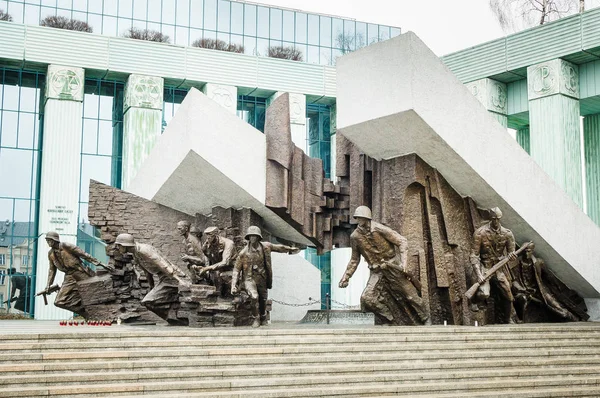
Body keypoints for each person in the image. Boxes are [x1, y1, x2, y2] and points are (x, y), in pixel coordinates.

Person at [338, 206, 430, 325]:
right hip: (377, 271)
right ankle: (390, 318)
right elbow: (354, 260)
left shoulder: (379, 228)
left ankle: (426, 318)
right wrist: (346, 276)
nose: (360, 221)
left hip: (392, 266)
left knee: (411, 295)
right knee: (367, 298)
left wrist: (404, 263)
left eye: (362, 218)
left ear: (367, 218)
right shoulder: (355, 237)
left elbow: (402, 241)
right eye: (358, 218)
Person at [232, 226, 299, 327]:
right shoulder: (243, 253)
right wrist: (233, 285)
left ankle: (263, 317)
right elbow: (236, 270)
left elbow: (279, 247)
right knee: (254, 297)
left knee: (263, 300)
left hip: (262, 278)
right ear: (248, 237)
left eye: (255, 236)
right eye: (251, 236)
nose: (252, 238)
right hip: (249, 279)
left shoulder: (266, 247)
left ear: (259, 237)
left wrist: (290, 249)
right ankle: (256, 318)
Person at [114, 233, 190, 321]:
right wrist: (151, 287)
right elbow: (147, 272)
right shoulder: (135, 254)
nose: (117, 248)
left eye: (119, 245)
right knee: (148, 302)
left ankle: (179, 318)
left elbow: (162, 264)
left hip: (171, 276)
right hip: (164, 278)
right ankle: (175, 318)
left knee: (148, 301)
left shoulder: (144, 250)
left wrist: (179, 280)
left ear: (125, 245)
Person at [470, 207, 518, 324]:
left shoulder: (507, 234)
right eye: (494, 219)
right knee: (484, 293)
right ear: (490, 218)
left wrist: (512, 256)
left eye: (498, 219)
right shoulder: (480, 233)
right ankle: (474, 300)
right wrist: (479, 274)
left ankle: (508, 319)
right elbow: (474, 255)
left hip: (499, 268)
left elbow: (512, 252)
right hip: (485, 266)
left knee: (508, 294)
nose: (496, 221)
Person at [511, 242, 578, 322]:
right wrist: (521, 289)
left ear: (532, 251)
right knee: (522, 298)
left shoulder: (538, 262)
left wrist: (558, 287)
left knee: (554, 304)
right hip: (523, 291)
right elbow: (514, 280)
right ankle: (522, 320)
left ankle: (571, 317)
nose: (526, 253)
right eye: (524, 251)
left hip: (539, 290)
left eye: (528, 251)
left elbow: (549, 276)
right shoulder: (516, 264)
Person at [45, 231, 102, 317]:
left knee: (95, 293)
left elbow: (83, 254)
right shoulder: (50, 254)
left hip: (81, 273)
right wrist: (48, 285)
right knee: (59, 301)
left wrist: (98, 263)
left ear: (54, 240)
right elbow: (52, 270)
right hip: (69, 276)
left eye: (49, 240)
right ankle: (85, 313)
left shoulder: (66, 246)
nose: (48, 242)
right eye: (47, 240)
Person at [197, 226, 237, 296]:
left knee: (223, 275)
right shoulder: (207, 245)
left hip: (233, 268)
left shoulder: (228, 243)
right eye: (207, 235)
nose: (208, 237)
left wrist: (206, 268)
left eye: (210, 235)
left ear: (216, 235)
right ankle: (219, 296)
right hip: (218, 268)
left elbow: (225, 262)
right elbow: (207, 257)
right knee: (213, 275)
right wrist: (205, 269)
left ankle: (236, 295)